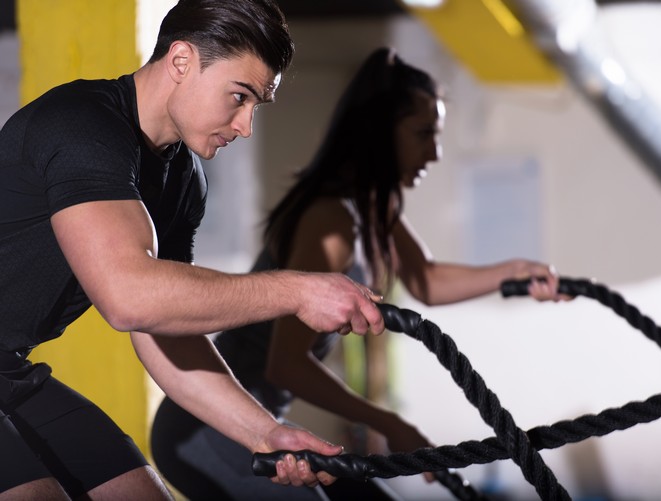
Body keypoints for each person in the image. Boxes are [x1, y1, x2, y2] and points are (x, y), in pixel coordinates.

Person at [0, 1, 387, 499]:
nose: (245, 125)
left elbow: (162, 326)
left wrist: (264, 432)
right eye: (239, 96)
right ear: (181, 61)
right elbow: (128, 297)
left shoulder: (184, 179)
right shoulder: (80, 125)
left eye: (256, 106)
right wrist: (296, 290)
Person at [150, 47, 568, 501]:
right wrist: (387, 421)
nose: (436, 151)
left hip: (261, 418)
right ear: (381, 135)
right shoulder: (332, 224)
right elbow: (285, 363)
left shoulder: (374, 206)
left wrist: (515, 272)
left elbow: (426, 280)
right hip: (206, 427)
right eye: (424, 133)